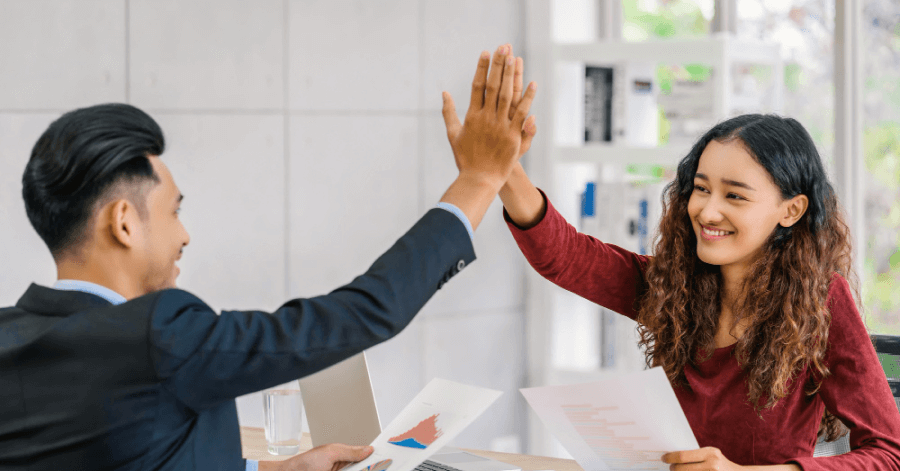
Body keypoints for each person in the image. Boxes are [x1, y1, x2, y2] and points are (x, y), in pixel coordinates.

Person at [0, 44, 536, 471]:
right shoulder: (157, 334)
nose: (184, 235)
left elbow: (130, 451)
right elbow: (365, 312)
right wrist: (478, 180)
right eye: (173, 212)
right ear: (123, 222)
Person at [483, 110, 900, 469]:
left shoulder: (821, 303)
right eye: (701, 188)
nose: (707, 210)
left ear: (790, 211)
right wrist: (503, 169)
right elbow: (566, 257)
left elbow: (888, 453)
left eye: (734, 195)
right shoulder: (674, 284)